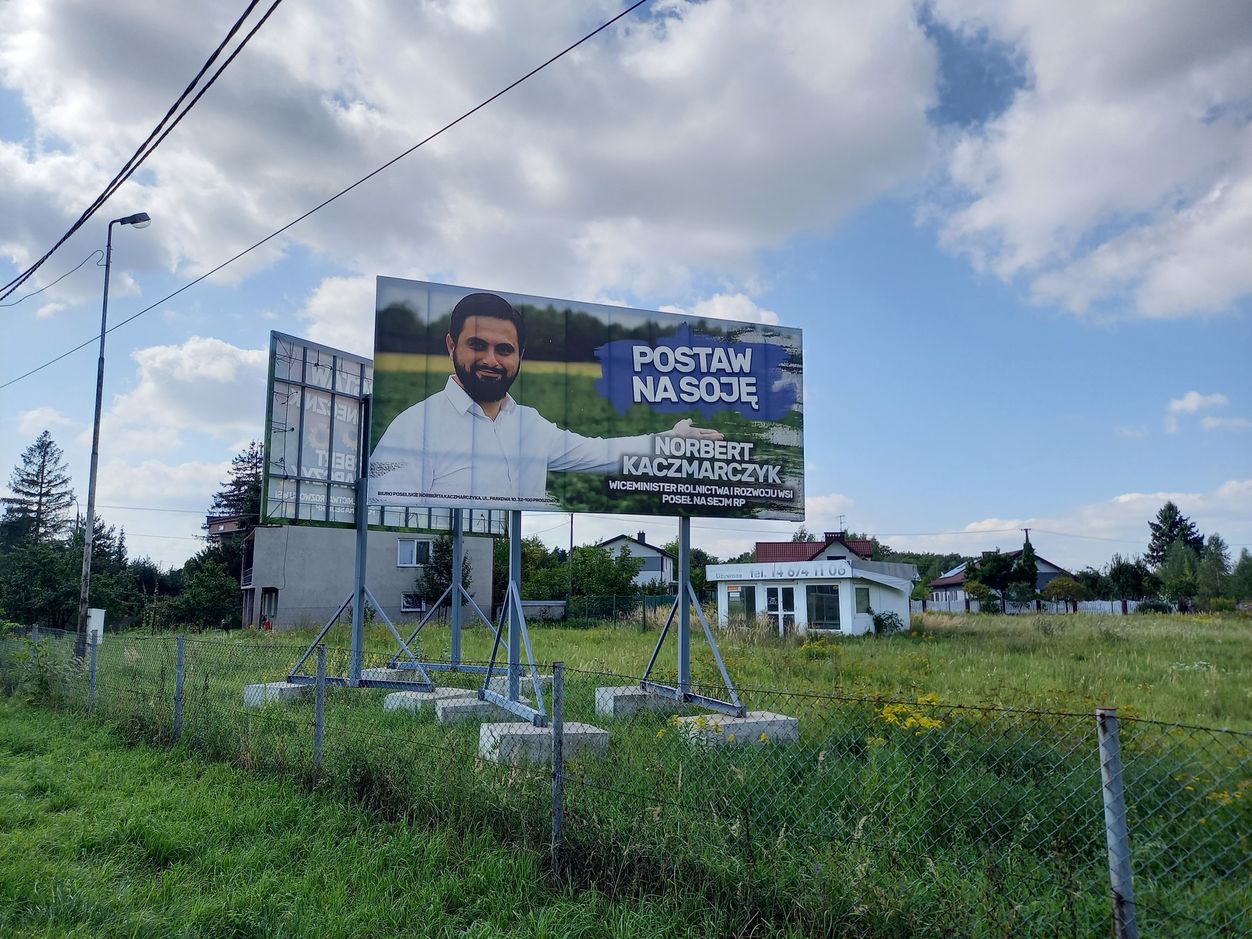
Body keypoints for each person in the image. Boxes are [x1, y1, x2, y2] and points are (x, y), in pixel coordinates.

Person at [368, 292, 721, 509]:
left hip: (517, 565)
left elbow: (599, 452)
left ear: (520, 355)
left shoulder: (529, 423)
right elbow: (387, 513)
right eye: (477, 345)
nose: (491, 360)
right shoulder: (414, 428)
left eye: (504, 350)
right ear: (451, 345)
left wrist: (672, 440)